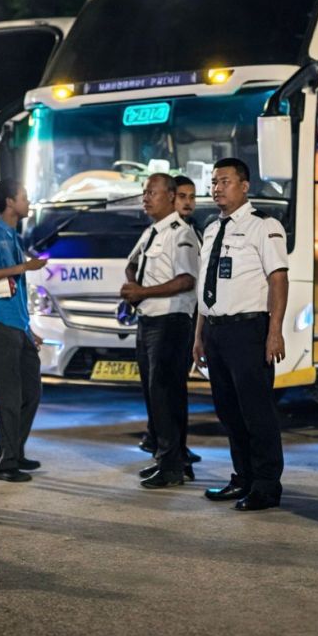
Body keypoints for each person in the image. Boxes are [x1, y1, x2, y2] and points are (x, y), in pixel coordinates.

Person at [193, 158, 289, 511]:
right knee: (228, 411)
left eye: (225, 181)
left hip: (249, 330)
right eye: (214, 182)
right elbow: (206, 287)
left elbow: (278, 279)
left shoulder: (264, 226)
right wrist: (199, 336)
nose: (217, 188)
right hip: (216, 332)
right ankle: (243, 478)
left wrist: (274, 332)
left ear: (245, 186)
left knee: (256, 411)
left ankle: (266, 485)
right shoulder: (210, 228)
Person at [120, 173, 200, 489]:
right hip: (149, 321)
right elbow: (132, 263)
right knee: (157, 396)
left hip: (170, 322)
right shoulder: (152, 232)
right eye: (144, 192)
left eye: (152, 192)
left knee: (166, 395)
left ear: (170, 196)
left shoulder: (181, 233)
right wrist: (132, 286)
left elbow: (186, 280)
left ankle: (171, 467)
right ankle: (172, 460)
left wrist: (142, 292)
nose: (146, 197)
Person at [0, 179, 47, 482]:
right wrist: (23, 268)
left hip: (17, 324)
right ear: (9, 202)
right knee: (9, 396)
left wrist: (30, 330)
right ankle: (4, 463)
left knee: (32, 391)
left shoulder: (13, 236)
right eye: (24, 197)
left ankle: (15, 451)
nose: (28, 202)